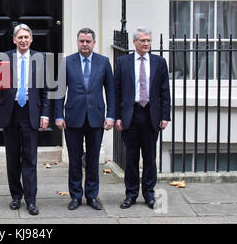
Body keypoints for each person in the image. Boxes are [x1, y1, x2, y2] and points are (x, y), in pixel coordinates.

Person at [0, 24, 50, 216]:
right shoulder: (4, 57)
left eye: (26, 37)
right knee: (12, 157)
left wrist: (45, 114)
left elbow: (46, 89)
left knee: (30, 158)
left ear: (31, 39)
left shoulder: (40, 59)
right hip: (10, 112)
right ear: (14, 40)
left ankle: (31, 200)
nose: (23, 40)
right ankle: (16, 196)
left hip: (30, 112)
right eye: (19, 37)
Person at [54, 28, 115, 211]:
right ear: (77, 42)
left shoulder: (103, 62)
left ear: (94, 43)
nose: (85, 44)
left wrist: (111, 115)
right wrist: (58, 115)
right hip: (73, 117)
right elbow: (59, 91)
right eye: (82, 41)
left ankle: (92, 195)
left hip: (96, 117)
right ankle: (75, 196)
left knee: (93, 159)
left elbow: (111, 91)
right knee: (74, 160)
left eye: (88, 41)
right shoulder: (67, 62)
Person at [115, 27, 170, 209]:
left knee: (150, 157)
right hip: (131, 114)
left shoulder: (159, 62)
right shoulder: (123, 62)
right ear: (134, 42)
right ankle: (131, 194)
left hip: (151, 116)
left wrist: (165, 116)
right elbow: (117, 91)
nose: (146, 44)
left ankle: (149, 194)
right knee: (130, 158)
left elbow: (164, 91)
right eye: (142, 41)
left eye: (148, 41)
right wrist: (117, 117)